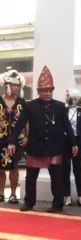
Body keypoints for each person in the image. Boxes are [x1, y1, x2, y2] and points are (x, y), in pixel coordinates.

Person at [8, 65, 78, 213]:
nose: (47, 93)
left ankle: (57, 205)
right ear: (38, 91)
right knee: (31, 177)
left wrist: (74, 143)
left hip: (55, 147)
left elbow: (67, 126)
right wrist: (12, 141)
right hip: (35, 146)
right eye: (44, 91)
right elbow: (20, 124)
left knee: (57, 178)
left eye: (50, 90)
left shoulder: (60, 106)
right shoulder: (30, 106)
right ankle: (29, 202)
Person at [0, 67, 27, 204]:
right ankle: (0, 193)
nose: (16, 88)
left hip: (17, 140)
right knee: (0, 168)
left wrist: (26, 137)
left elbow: (27, 121)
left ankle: (13, 194)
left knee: (15, 167)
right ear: (7, 85)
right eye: (14, 85)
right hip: (0, 139)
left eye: (18, 85)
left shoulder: (22, 102)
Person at [63, 89, 81, 207]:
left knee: (78, 170)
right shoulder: (63, 110)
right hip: (65, 143)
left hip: (79, 143)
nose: (72, 100)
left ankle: (80, 196)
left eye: (74, 98)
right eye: (70, 97)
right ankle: (67, 197)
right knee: (65, 170)